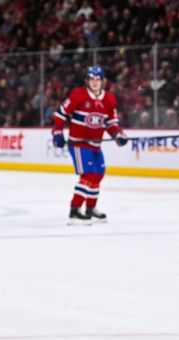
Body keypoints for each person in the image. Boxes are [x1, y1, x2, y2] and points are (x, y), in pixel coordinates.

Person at [52, 66, 128, 224]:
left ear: (103, 81)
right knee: (88, 175)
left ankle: (90, 208)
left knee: (99, 174)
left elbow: (111, 123)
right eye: (92, 79)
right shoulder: (78, 95)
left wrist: (118, 135)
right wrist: (58, 132)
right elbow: (60, 114)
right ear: (87, 81)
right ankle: (74, 210)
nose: (95, 82)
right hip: (78, 144)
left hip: (95, 145)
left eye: (98, 79)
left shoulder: (109, 99)